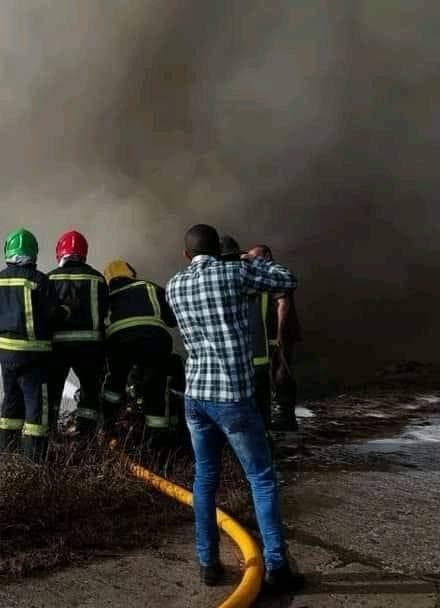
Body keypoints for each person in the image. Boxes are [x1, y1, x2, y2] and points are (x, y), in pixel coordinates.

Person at [165, 224, 305, 593]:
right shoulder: (236, 273)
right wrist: (250, 260)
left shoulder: (174, 285)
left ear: (186, 255)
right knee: (261, 479)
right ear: (220, 251)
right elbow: (287, 279)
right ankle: (277, 567)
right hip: (232, 398)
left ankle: (208, 564)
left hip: (196, 398)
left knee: (204, 480)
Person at [0, 228, 72, 463]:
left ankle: (7, 458)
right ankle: (32, 464)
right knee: (36, 410)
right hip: (35, 358)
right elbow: (52, 315)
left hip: (6, 357)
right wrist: (66, 310)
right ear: (34, 253)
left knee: (11, 405)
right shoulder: (39, 281)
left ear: (8, 251)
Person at [100, 258, 180, 450]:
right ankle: (157, 443)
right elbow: (172, 319)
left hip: (119, 343)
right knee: (155, 388)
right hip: (154, 341)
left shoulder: (106, 295)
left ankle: (107, 429)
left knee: (114, 385)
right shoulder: (149, 286)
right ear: (131, 273)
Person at [47, 230, 109, 438]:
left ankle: (50, 435)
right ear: (84, 253)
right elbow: (105, 313)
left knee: (53, 391)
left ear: (59, 253)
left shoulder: (49, 278)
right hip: (90, 347)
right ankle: (86, 436)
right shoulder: (97, 278)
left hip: (57, 347)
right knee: (90, 392)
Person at [247, 244, 303, 449]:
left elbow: (283, 304)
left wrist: (279, 334)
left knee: (282, 371)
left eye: (255, 257)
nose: (252, 261)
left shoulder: (276, 272)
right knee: (273, 372)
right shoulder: (261, 276)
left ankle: (286, 416)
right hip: (268, 332)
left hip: (282, 331)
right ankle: (280, 416)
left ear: (267, 256)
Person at [220, 235, 273, 430]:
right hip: (259, 355)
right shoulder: (257, 276)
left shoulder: (219, 281)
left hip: (235, 358)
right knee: (260, 403)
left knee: (239, 407)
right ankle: (263, 435)